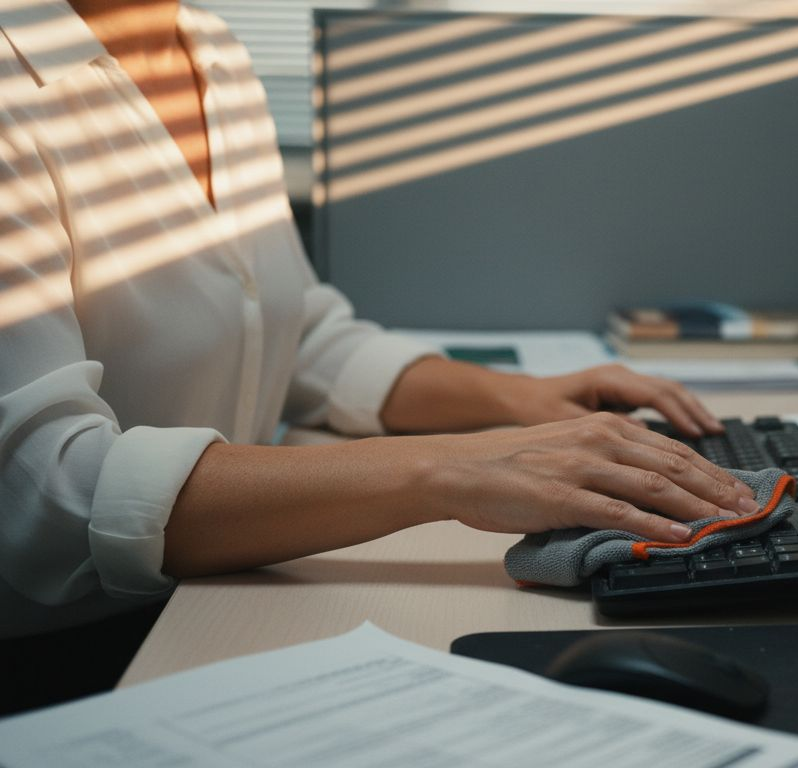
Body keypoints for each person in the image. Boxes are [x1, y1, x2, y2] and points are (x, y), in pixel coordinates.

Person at [0, 0, 759, 708]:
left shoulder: (210, 48)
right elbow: (51, 497)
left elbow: (296, 335)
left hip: (220, 593)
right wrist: (450, 470)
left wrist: (520, 402)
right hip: (67, 656)